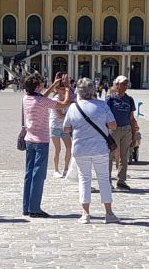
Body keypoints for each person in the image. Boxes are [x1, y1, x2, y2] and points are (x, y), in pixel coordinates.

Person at [62, 77, 118, 224]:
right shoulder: (102, 105)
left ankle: (85, 213)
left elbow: (66, 128)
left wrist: (78, 127)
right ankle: (109, 213)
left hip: (80, 148)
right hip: (100, 148)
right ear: (94, 90)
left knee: (84, 180)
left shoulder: (73, 107)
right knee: (104, 179)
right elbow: (113, 125)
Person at [20, 74, 56, 218]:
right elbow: (64, 103)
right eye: (41, 84)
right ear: (36, 87)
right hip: (41, 141)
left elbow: (42, 98)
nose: (43, 86)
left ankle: (26, 207)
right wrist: (66, 89)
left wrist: (53, 85)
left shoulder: (26, 98)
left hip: (29, 140)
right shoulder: (41, 101)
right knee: (38, 175)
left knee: (29, 173)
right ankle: (35, 208)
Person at [104, 75, 139, 191]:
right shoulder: (110, 99)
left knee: (125, 156)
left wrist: (134, 136)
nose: (125, 86)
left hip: (126, 129)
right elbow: (105, 116)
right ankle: (107, 181)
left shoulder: (130, 99)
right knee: (110, 156)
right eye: (123, 83)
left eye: (126, 84)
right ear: (117, 85)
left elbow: (132, 118)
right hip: (113, 130)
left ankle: (121, 180)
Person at [49, 74, 72, 178]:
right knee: (57, 149)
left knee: (69, 147)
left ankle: (66, 169)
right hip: (55, 126)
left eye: (64, 88)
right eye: (61, 88)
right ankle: (56, 169)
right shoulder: (55, 99)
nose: (63, 90)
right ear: (57, 89)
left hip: (64, 127)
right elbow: (60, 114)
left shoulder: (68, 98)